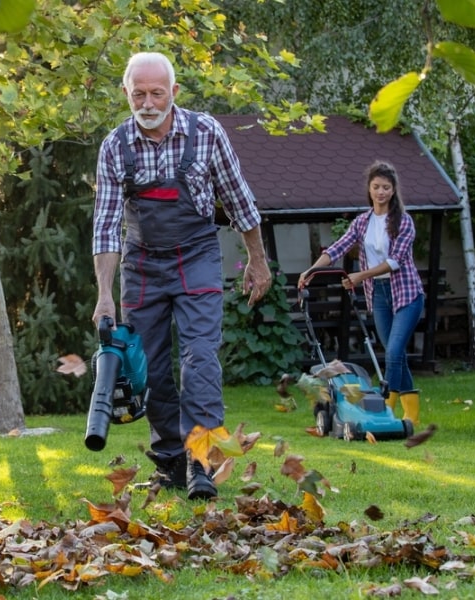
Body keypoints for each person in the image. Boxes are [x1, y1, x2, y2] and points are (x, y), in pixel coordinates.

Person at [92, 52, 271, 500]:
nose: (148, 102)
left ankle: (201, 462)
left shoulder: (206, 133)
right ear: (126, 94)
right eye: (139, 94)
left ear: (174, 92)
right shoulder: (116, 147)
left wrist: (258, 260)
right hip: (143, 264)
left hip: (196, 256)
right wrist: (104, 295)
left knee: (201, 358)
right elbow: (107, 225)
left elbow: (238, 200)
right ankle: (170, 461)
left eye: (157, 93)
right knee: (147, 368)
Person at [298, 160, 424, 425]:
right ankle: (411, 413)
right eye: (376, 186)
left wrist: (358, 276)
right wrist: (310, 271)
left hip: (406, 294)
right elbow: (336, 249)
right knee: (395, 353)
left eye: (386, 188)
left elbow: (394, 262)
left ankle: (385, 409)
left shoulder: (404, 221)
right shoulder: (362, 222)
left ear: (393, 190)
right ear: (369, 188)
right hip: (378, 294)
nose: (381, 192)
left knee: (393, 353)